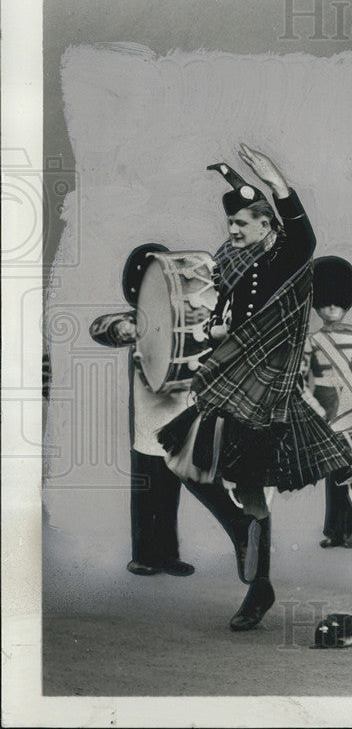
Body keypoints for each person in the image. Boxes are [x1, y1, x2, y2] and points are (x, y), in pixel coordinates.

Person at [158, 145, 352, 631]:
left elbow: (304, 236)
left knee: (250, 489)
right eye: (231, 225)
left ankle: (258, 588)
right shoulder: (238, 262)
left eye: (242, 225)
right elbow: (228, 316)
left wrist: (277, 183)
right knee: (182, 460)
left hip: (267, 387)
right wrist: (214, 332)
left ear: (267, 226)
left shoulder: (287, 259)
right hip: (231, 378)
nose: (232, 232)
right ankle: (240, 536)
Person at [89, 243, 251, 579]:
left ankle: (171, 554)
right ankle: (147, 557)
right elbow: (100, 328)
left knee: (175, 490)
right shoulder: (135, 318)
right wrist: (121, 328)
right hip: (149, 425)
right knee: (149, 494)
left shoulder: (196, 320)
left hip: (182, 418)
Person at [302, 255, 352, 550]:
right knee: (334, 475)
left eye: (336, 302)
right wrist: (316, 409)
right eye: (325, 302)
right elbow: (301, 382)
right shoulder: (310, 342)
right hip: (326, 413)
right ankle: (333, 531)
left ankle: (350, 531)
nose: (331, 307)